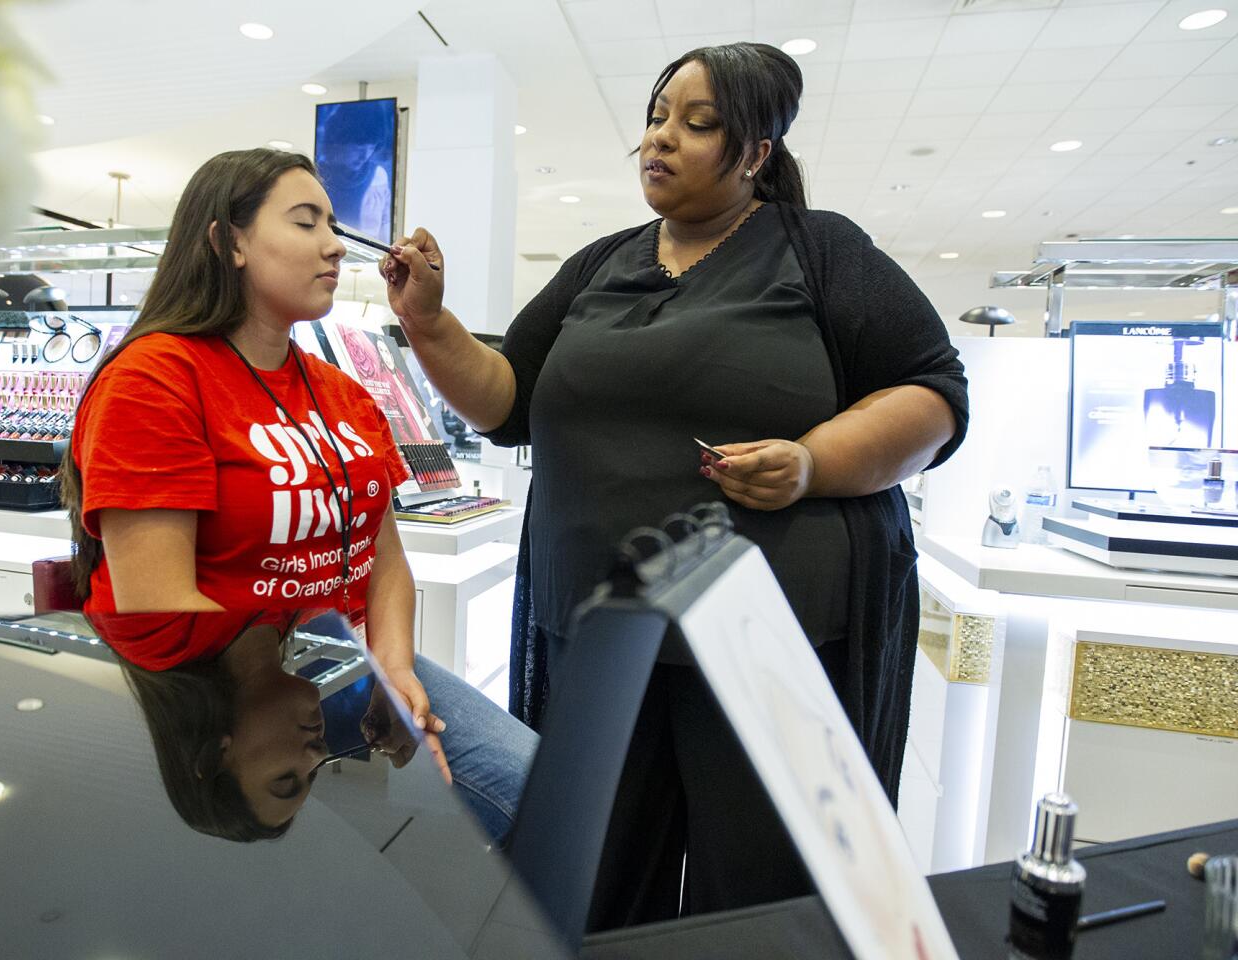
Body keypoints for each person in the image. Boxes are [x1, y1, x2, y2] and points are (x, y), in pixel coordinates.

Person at [378, 43, 969, 925]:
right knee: (596, 886)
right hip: (601, 641)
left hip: (766, 645)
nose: (661, 139)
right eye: (657, 117)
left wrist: (811, 463)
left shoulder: (821, 252)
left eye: (698, 125)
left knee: (759, 898)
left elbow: (933, 395)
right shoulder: (600, 264)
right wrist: (428, 325)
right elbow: (509, 399)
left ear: (757, 154)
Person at [59, 148, 535, 839]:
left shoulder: (338, 391)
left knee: (535, 790)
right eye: (306, 222)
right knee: (523, 800)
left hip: (329, 662)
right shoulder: (154, 381)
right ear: (230, 242)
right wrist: (294, 680)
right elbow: (157, 608)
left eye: (332, 224)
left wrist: (391, 668)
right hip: (225, 686)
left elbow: (382, 554)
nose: (335, 244)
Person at [93, 609, 533, 844]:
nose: (318, 755)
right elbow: (378, 536)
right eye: (313, 775)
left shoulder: (156, 624)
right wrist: (391, 669)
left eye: (287, 778)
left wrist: (390, 665)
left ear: (216, 751)